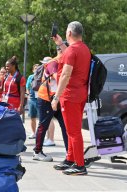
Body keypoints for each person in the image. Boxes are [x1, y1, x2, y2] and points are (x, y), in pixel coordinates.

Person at [52, 21, 91, 175]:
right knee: (71, 129)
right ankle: (70, 159)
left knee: (73, 131)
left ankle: (80, 165)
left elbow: (66, 75)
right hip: (80, 93)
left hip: (70, 95)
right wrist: (60, 44)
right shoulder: (84, 49)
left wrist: (56, 97)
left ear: (69, 33)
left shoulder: (71, 51)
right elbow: (70, 54)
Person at [32, 55, 68, 162]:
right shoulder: (52, 63)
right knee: (43, 125)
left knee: (65, 125)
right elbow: (58, 78)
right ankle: (37, 152)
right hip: (46, 99)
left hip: (55, 99)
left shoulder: (61, 62)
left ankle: (70, 153)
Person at [26, 64, 39, 139]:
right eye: (35, 68)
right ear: (33, 70)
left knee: (41, 118)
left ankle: (41, 133)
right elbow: (27, 87)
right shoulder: (30, 77)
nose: (36, 70)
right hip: (32, 99)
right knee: (32, 117)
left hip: (39, 99)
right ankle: (33, 133)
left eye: (38, 68)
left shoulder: (41, 76)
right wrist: (28, 94)